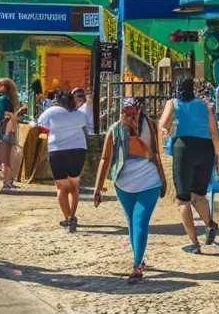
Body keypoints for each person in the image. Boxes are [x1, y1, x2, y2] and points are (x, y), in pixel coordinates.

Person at [92, 97, 167, 284]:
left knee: (140, 220)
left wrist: (136, 133)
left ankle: (137, 266)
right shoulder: (115, 129)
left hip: (148, 179)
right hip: (124, 182)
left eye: (134, 112)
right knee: (131, 222)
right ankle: (139, 258)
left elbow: (153, 153)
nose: (130, 116)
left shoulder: (149, 126)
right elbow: (105, 159)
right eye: (127, 113)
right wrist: (97, 188)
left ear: (140, 111)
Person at [160, 76, 219, 253]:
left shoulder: (173, 103)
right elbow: (214, 132)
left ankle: (194, 243)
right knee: (200, 195)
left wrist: (169, 132)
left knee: (183, 200)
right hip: (205, 149)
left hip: (183, 149)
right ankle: (210, 225)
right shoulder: (205, 105)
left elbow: (163, 125)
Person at [40, 89, 93, 233]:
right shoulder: (79, 113)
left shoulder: (52, 111)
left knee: (62, 188)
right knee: (74, 186)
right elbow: (89, 126)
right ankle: (72, 216)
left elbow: (39, 123)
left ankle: (68, 217)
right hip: (78, 150)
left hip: (57, 151)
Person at [0, 78, 25, 191]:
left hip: (1, 130)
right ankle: (3, 181)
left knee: (3, 157)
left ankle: (6, 181)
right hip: (5, 131)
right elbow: (7, 117)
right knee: (4, 157)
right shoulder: (5, 100)